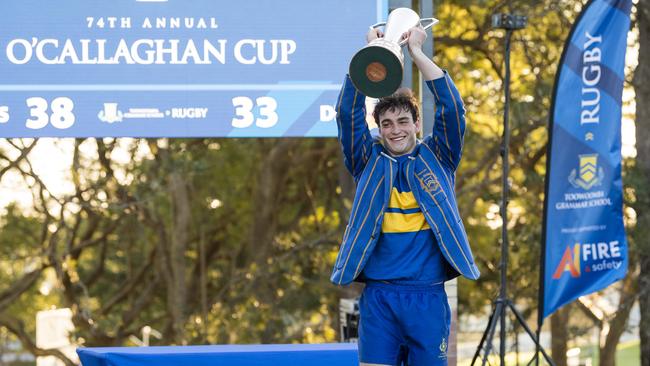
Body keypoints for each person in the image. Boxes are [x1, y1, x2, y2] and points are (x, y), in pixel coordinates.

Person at [331, 25, 480, 366]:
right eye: (386, 123)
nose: (395, 129)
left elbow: (453, 109)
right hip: (380, 297)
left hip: (426, 295)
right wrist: (374, 53)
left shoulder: (439, 156)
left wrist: (416, 53)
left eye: (402, 121)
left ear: (416, 124)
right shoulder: (367, 159)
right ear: (379, 129)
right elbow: (346, 115)